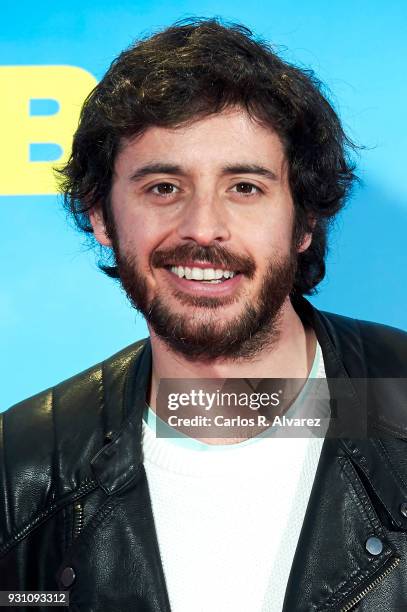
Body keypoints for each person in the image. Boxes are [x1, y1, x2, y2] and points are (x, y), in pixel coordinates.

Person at [1, 17, 407, 612]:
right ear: (101, 218)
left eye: (245, 187)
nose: (202, 229)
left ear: (304, 222)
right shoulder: (22, 467)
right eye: (163, 187)